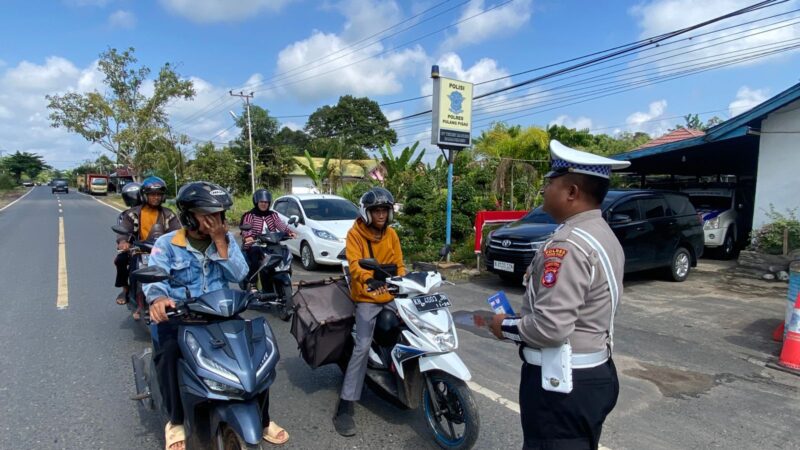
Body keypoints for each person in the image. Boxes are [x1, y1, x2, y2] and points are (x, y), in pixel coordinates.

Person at [489, 140, 630, 450]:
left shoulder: (566, 246)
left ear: (572, 193)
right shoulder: (602, 234)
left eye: (550, 182)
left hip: (562, 385)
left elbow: (551, 328)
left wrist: (504, 326)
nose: (544, 191)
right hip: (593, 372)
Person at [144, 181, 289, 450]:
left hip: (221, 314)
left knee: (256, 353)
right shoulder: (167, 244)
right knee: (167, 352)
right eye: (208, 215)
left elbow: (240, 275)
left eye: (220, 215)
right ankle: (175, 421)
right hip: (182, 317)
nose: (216, 221)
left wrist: (221, 242)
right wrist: (159, 298)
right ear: (188, 216)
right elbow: (155, 278)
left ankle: (264, 419)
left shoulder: (225, 241)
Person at [333, 187, 405, 437]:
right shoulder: (355, 235)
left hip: (392, 294)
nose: (382, 215)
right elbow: (355, 266)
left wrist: (404, 282)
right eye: (377, 210)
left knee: (412, 329)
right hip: (367, 297)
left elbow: (400, 265)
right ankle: (345, 404)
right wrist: (368, 279)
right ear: (367, 212)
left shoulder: (392, 235)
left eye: (385, 210)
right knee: (362, 347)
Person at [115, 176, 181, 319]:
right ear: (144, 195)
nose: (155, 197)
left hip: (162, 252)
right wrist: (123, 242)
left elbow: (177, 232)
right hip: (138, 250)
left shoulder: (168, 214)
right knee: (121, 262)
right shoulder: (133, 213)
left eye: (158, 194)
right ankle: (127, 291)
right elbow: (124, 229)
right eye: (152, 194)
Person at [239, 188, 296, 291]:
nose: (264, 204)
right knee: (255, 251)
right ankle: (253, 282)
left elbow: (280, 225)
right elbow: (246, 227)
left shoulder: (273, 215)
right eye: (261, 202)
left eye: (266, 202)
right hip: (255, 243)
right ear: (256, 202)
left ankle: (281, 276)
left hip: (271, 243)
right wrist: (248, 236)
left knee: (284, 251)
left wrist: (289, 232)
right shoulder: (250, 215)